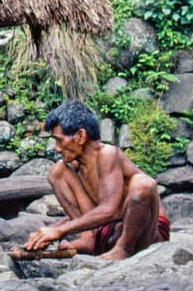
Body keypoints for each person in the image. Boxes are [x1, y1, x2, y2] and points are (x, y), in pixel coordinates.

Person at [22, 100, 169, 261]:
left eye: (60, 140)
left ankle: (123, 248)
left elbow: (109, 210)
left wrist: (60, 231)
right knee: (57, 171)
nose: (57, 148)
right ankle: (89, 238)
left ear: (80, 136)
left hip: (147, 232)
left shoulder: (108, 155)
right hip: (110, 230)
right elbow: (94, 212)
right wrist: (46, 232)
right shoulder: (76, 167)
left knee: (143, 184)